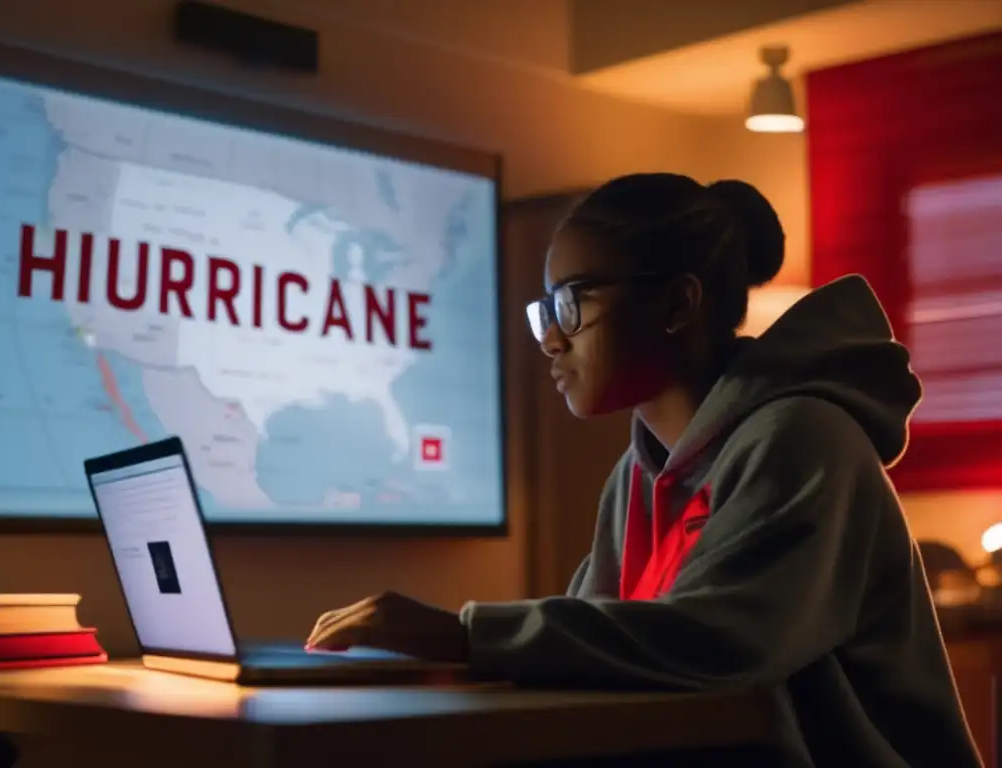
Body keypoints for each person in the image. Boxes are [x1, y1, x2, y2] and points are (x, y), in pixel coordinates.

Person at [306, 174, 982, 766]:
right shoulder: (639, 472)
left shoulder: (803, 438)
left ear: (677, 306)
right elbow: (601, 655)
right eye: (545, 309)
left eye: (572, 301)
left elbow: (719, 644)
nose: (549, 335)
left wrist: (465, 633)